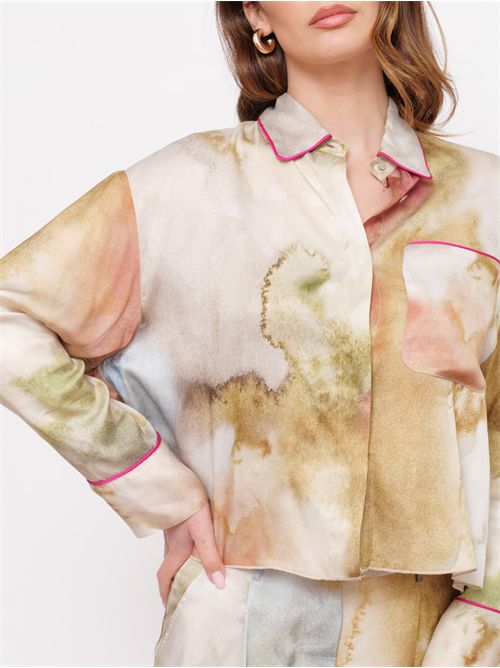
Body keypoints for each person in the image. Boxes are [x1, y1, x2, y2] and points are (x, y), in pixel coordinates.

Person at [1, 0, 499, 665]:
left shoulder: (484, 199)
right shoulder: (188, 187)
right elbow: (11, 317)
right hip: (230, 628)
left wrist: (482, 622)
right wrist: (158, 489)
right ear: (256, 14)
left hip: (420, 634)